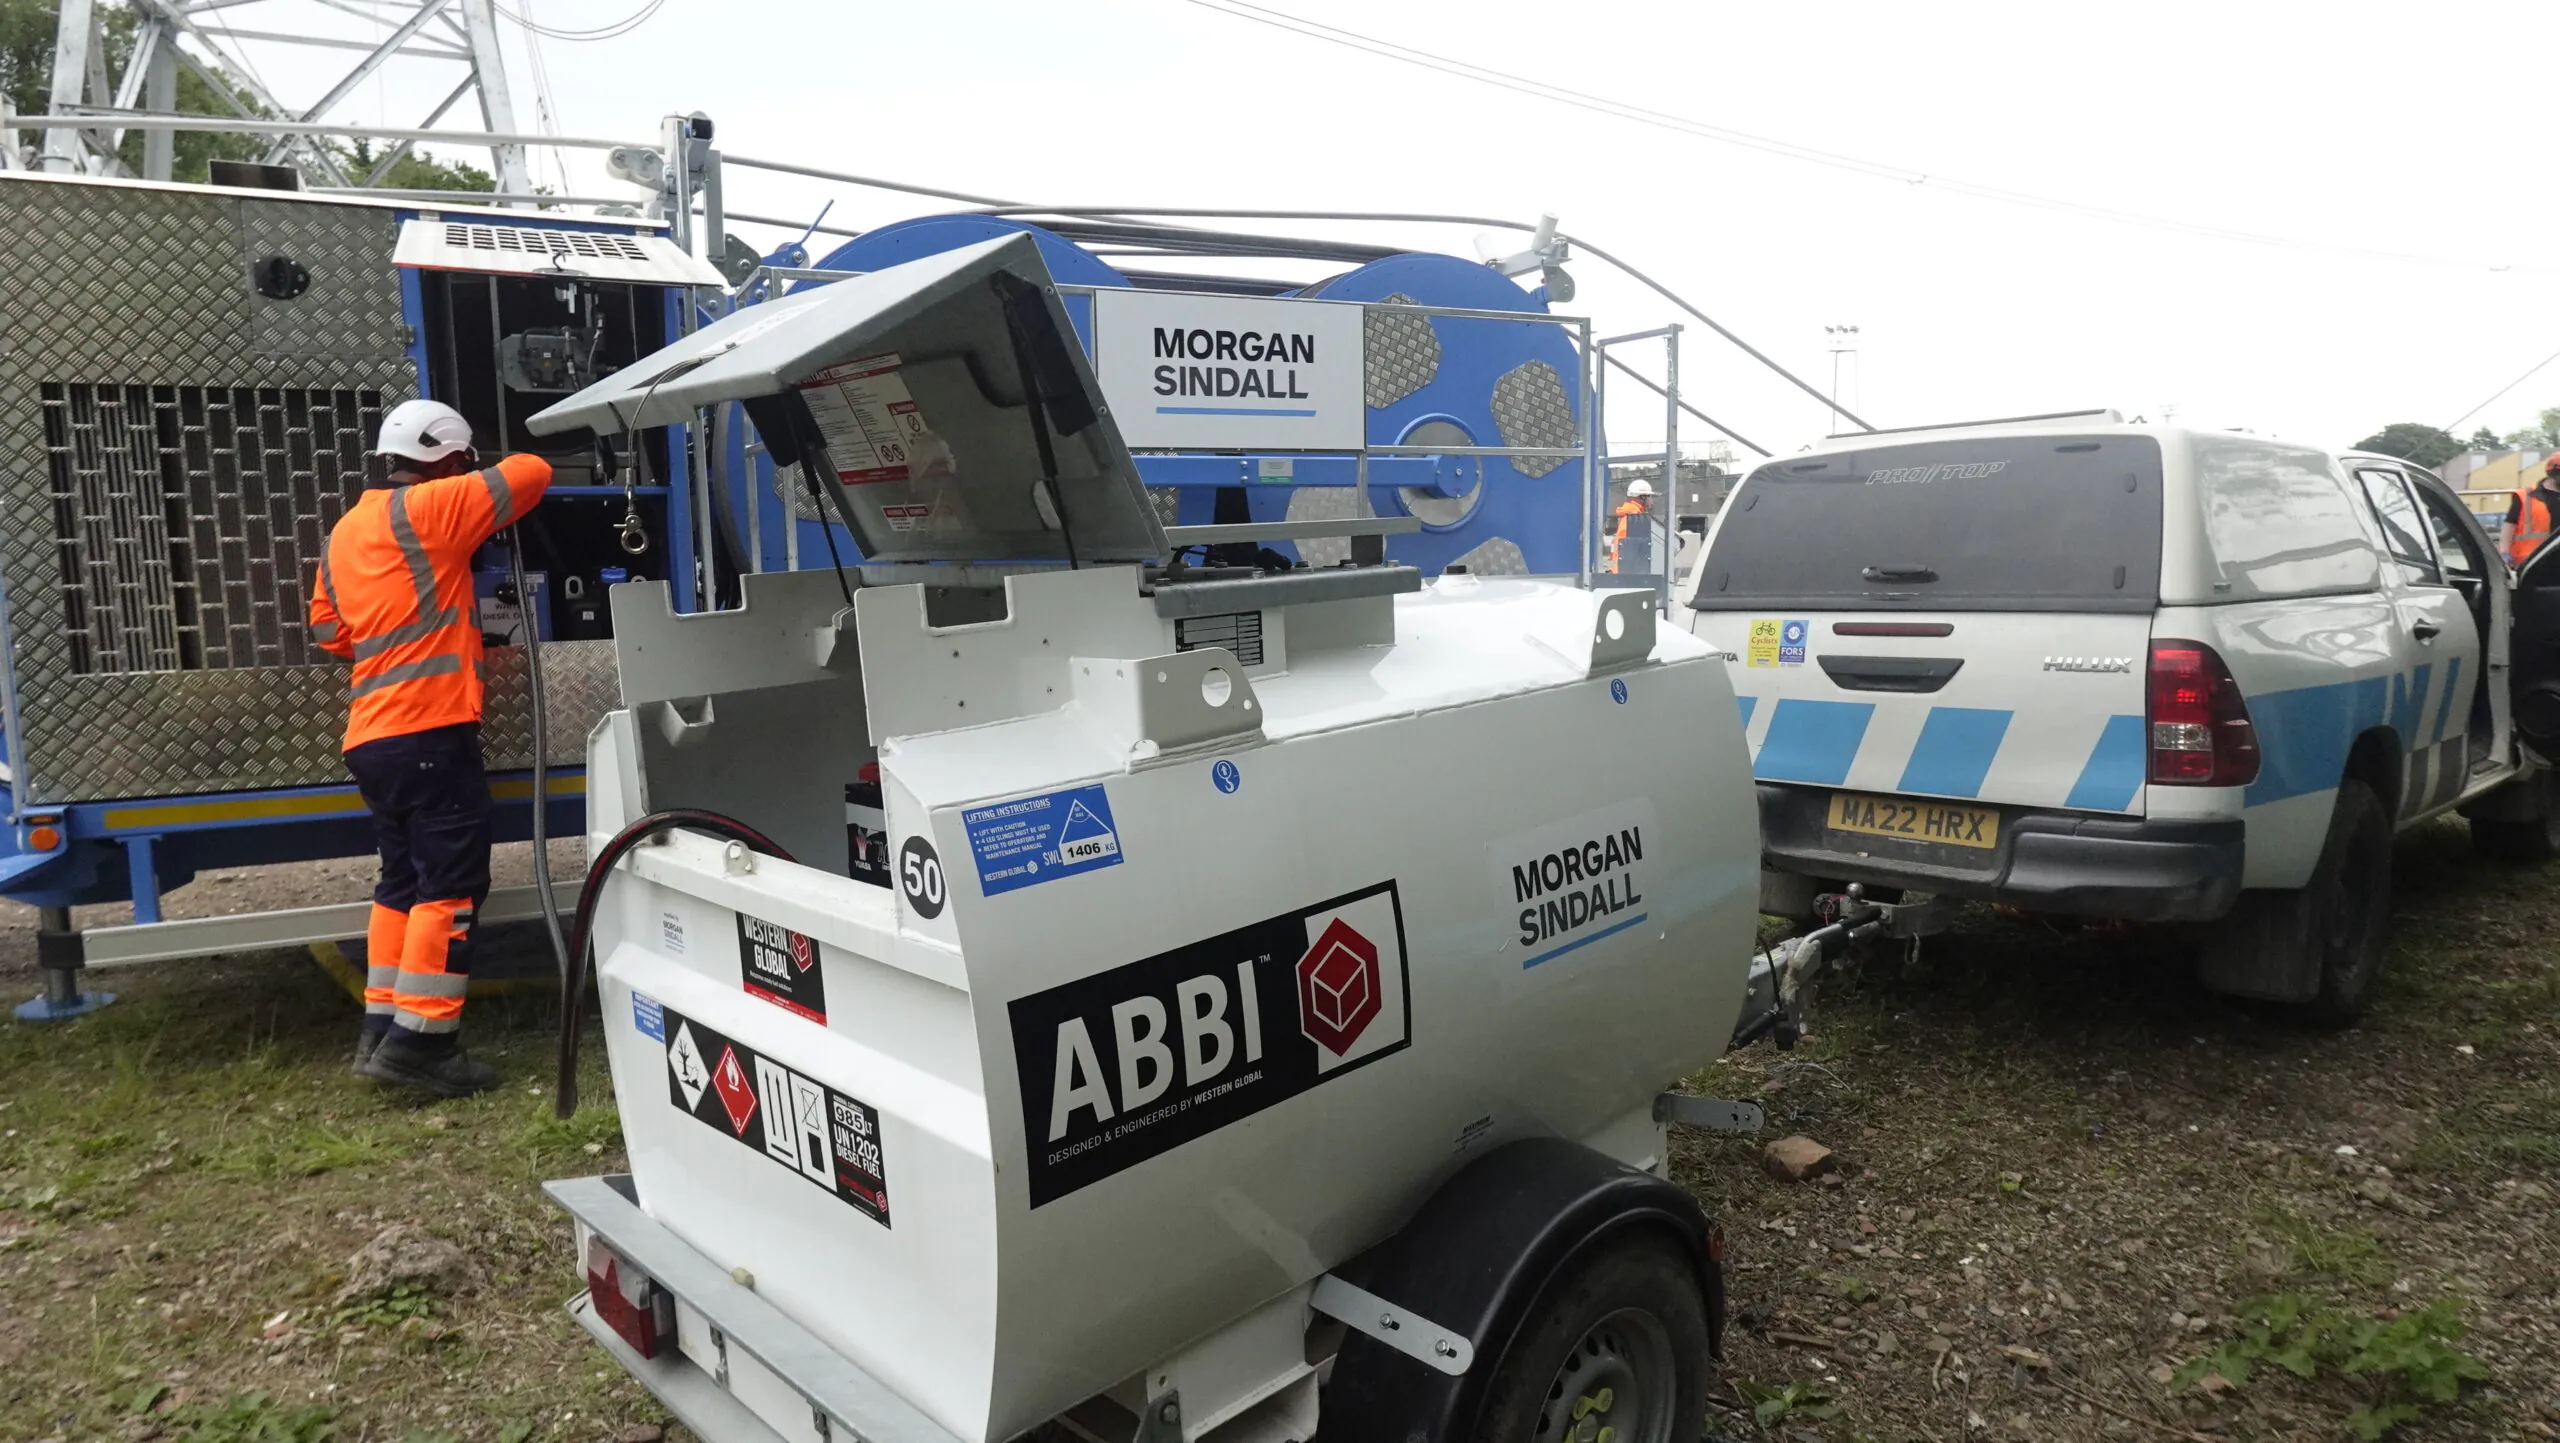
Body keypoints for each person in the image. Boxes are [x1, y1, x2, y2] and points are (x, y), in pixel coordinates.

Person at [309, 400, 550, 1097]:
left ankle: (381, 1031)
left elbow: (330, 631)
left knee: (401, 883)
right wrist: (477, 472)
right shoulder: (435, 508)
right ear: (447, 459)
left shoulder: (347, 529)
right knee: (450, 886)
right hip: (429, 730)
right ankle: (425, 1042)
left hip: (372, 736)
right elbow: (531, 473)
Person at [2503, 454, 2560, 568]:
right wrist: (2504, 552)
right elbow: (2510, 525)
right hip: (2532, 563)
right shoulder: (2526, 495)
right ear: (2554, 473)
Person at [1606, 477, 1656, 574]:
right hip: (1626, 571)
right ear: (1642, 497)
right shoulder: (1635, 518)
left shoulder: (1630, 515)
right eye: (1649, 496)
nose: (1651, 500)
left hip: (1619, 569)